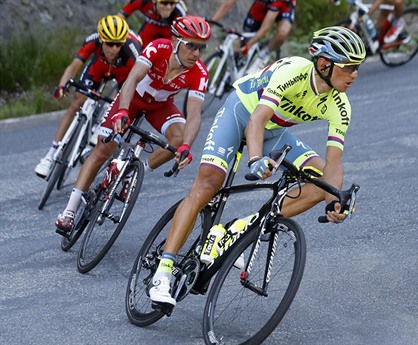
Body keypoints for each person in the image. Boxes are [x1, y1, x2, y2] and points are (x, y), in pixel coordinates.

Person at [148, 25, 365, 309]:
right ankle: (163, 271)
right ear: (324, 64)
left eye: (357, 67)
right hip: (242, 113)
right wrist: (255, 159)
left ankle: (241, 227)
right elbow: (257, 121)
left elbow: (334, 163)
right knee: (208, 185)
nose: (355, 75)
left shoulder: (341, 105)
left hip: (276, 131)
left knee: (323, 180)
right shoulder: (294, 71)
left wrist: (333, 201)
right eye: (349, 67)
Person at [55, 15, 212, 236]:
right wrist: (122, 111)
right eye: (191, 46)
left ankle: (134, 175)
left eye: (201, 48)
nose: (196, 53)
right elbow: (132, 80)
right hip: (132, 98)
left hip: (160, 106)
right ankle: (69, 211)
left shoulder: (200, 73)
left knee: (178, 140)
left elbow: (194, 113)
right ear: (176, 41)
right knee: (103, 149)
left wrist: (187, 145)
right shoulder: (158, 48)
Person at [34, 15, 143, 179]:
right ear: (101, 40)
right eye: (110, 44)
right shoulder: (92, 40)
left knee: (122, 98)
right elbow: (74, 66)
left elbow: (141, 78)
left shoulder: (132, 47)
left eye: (118, 44)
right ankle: (51, 154)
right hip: (99, 67)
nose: (114, 49)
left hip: (125, 73)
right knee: (77, 101)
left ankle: (102, 120)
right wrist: (62, 86)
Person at [211, 0, 296, 74]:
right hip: (262, 4)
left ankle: (264, 55)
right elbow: (228, 3)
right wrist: (210, 23)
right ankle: (234, 70)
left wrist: (249, 45)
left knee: (282, 32)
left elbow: (265, 28)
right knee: (244, 39)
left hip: (284, 6)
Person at [117, 0, 188, 47]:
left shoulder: (179, 11)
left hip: (169, 31)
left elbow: (185, 35)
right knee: (138, 46)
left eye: (172, 3)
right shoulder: (143, 1)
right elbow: (119, 18)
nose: (168, 7)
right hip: (149, 27)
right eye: (164, 3)